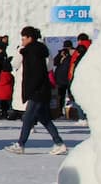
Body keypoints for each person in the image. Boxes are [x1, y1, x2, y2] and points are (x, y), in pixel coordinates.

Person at [5, 26, 67, 155]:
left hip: (36, 90)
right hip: (42, 89)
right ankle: (59, 143)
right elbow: (48, 67)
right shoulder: (42, 50)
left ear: (29, 38)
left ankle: (21, 144)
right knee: (44, 118)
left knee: (28, 118)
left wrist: (30, 89)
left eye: (23, 38)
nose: (22, 41)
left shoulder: (29, 52)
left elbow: (34, 73)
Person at [52, 40, 74, 116]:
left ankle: (74, 111)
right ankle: (60, 111)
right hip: (61, 79)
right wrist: (60, 55)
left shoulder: (74, 53)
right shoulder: (61, 53)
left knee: (72, 96)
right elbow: (54, 62)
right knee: (61, 97)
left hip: (69, 78)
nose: (66, 49)